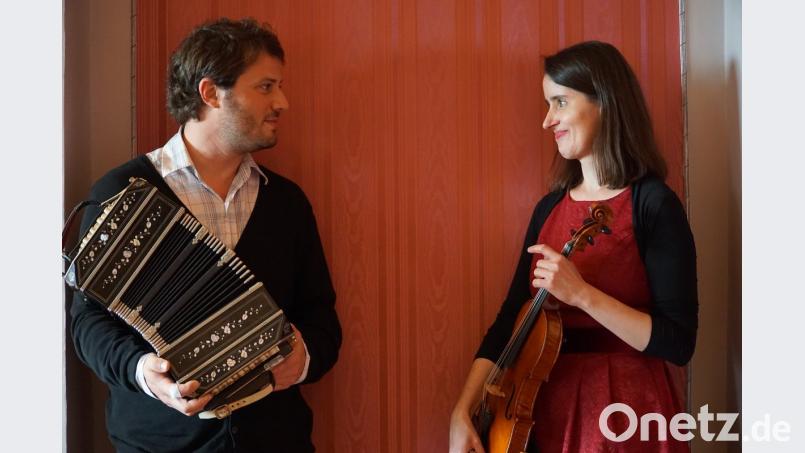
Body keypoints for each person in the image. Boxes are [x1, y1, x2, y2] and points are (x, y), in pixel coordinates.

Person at [70, 18, 342, 452]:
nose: (283, 102)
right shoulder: (122, 193)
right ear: (211, 92)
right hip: (158, 444)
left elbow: (321, 317)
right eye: (266, 87)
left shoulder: (287, 203)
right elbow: (88, 323)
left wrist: (303, 358)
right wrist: (143, 372)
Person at [449, 41, 698, 453]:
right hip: (541, 409)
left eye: (560, 102)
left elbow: (678, 343)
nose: (548, 120)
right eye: (548, 104)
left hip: (624, 411)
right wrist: (463, 409)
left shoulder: (653, 204)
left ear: (605, 102)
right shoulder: (549, 208)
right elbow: (511, 318)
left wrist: (581, 295)